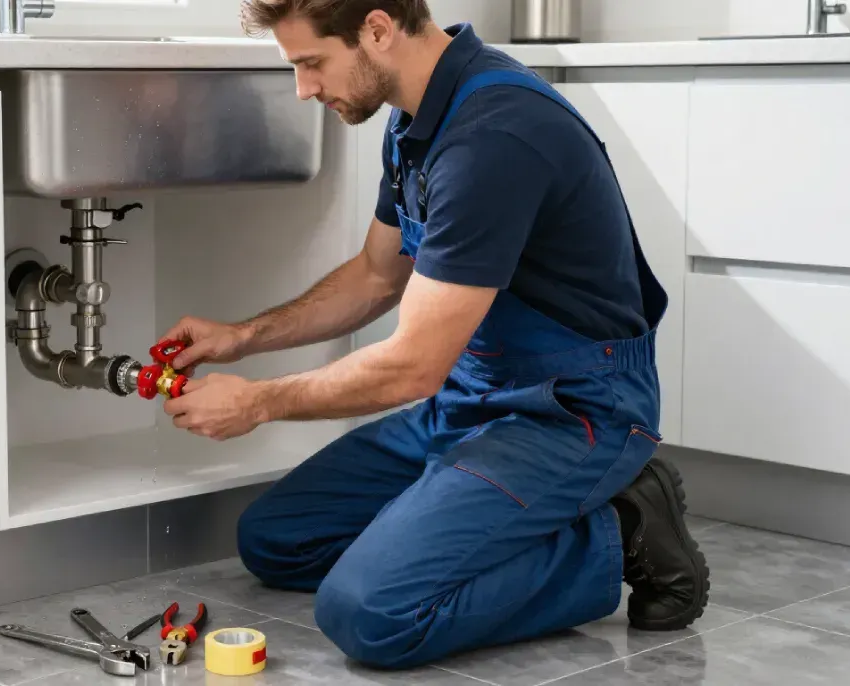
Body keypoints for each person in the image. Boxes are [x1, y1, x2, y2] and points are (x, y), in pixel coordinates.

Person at [156, 0, 710, 669]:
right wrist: (241, 337)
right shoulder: (416, 119)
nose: (304, 89)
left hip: (574, 413)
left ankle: (620, 530)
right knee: (277, 539)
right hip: (474, 401)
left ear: (378, 30)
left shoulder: (495, 136)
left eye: (311, 63)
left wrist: (257, 402)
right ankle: (470, 518)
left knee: (371, 612)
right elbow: (373, 277)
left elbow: (411, 368)